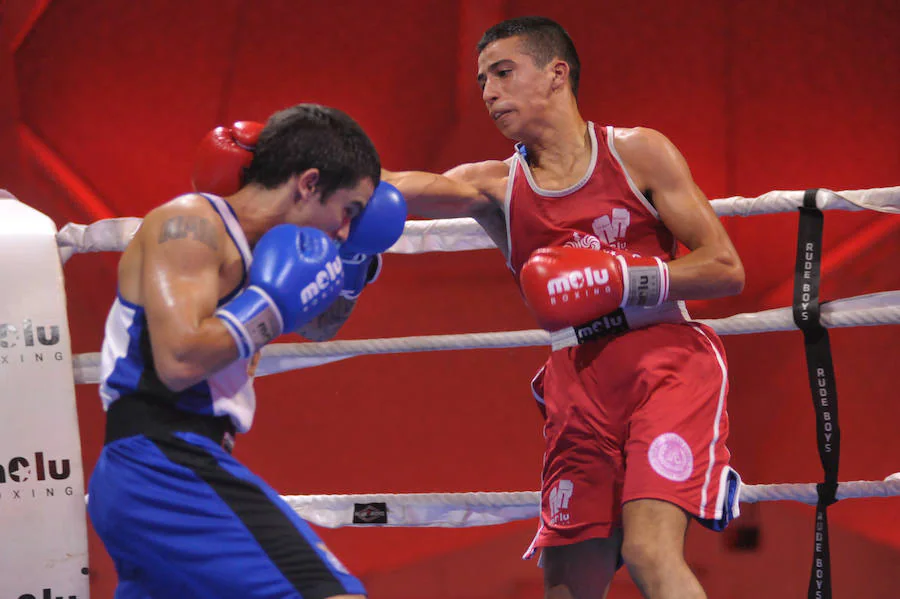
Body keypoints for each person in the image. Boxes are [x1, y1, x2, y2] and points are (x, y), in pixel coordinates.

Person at [382, 16, 745, 599]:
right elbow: (405, 185)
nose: (489, 93)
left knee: (650, 553)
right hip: (576, 381)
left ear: (556, 74)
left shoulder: (637, 153)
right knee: (567, 583)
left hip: (667, 365)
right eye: (481, 81)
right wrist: (294, 174)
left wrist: (620, 280)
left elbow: (726, 269)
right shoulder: (495, 184)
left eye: (503, 73)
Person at [87, 103, 406, 599]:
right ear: (308, 183)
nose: (345, 231)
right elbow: (179, 361)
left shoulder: (266, 252)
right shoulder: (190, 225)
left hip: (161, 471)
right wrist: (269, 307)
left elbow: (320, 326)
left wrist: (352, 263)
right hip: (164, 463)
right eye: (349, 211)